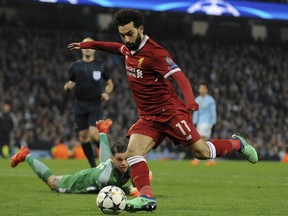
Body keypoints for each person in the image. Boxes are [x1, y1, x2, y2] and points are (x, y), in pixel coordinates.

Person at [68, 8, 258, 212]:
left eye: (130, 33)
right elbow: (114, 47)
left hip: (171, 113)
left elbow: (180, 77)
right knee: (132, 152)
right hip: (148, 117)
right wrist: (88, 44)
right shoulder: (127, 48)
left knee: (201, 152)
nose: (126, 39)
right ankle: (146, 197)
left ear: (140, 29)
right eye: (122, 34)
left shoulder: (156, 53)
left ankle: (237, 144)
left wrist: (191, 101)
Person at [10, 119, 138, 195]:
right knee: (53, 182)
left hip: (97, 171)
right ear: (113, 159)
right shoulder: (105, 179)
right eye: (120, 159)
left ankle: (102, 130)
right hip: (81, 181)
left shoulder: (126, 164)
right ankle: (26, 155)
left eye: (126, 159)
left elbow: (107, 161)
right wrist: (131, 190)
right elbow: (115, 192)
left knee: (106, 164)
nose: (124, 163)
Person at [64, 37, 114, 168]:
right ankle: (94, 167)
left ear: (94, 49)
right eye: (84, 45)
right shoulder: (74, 66)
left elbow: (109, 83)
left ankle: (111, 157)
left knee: (94, 135)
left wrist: (106, 92)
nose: (87, 48)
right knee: (83, 138)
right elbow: (69, 84)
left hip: (95, 104)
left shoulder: (101, 65)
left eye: (90, 46)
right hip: (79, 104)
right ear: (81, 48)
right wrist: (67, 87)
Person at [191, 82, 217, 166]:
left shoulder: (210, 100)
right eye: (200, 88)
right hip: (199, 123)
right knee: (201, 140)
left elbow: (213, 112)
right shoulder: (197, 99)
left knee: (203, 139)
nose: (201, 89)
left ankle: (205, 159)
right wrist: (194, 122)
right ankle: (209, 159)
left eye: (203, 88)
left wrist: (213, 122)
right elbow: (196, 112)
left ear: (206, 90)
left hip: (207, 123)